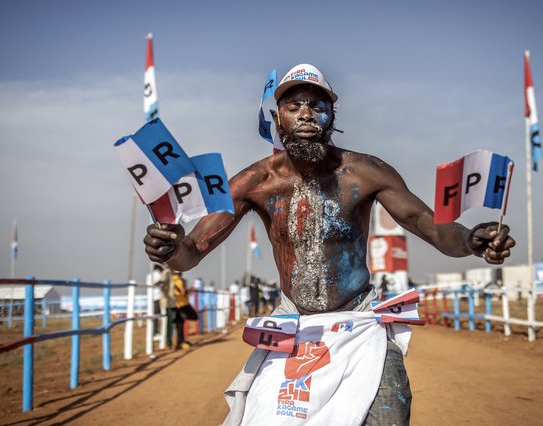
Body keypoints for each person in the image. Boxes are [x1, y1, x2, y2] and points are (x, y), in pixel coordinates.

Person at [144, 63, 515, 424]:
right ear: (278, 119)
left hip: (361, 325)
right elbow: (193, 251)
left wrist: (469, 239)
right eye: (294, 107)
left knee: (387, 416)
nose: (306, 115)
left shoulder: (365, 172)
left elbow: (428, 225)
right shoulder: (255, 182)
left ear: (331, 116)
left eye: (317, 106)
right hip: (294, 326)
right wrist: (170, 247)